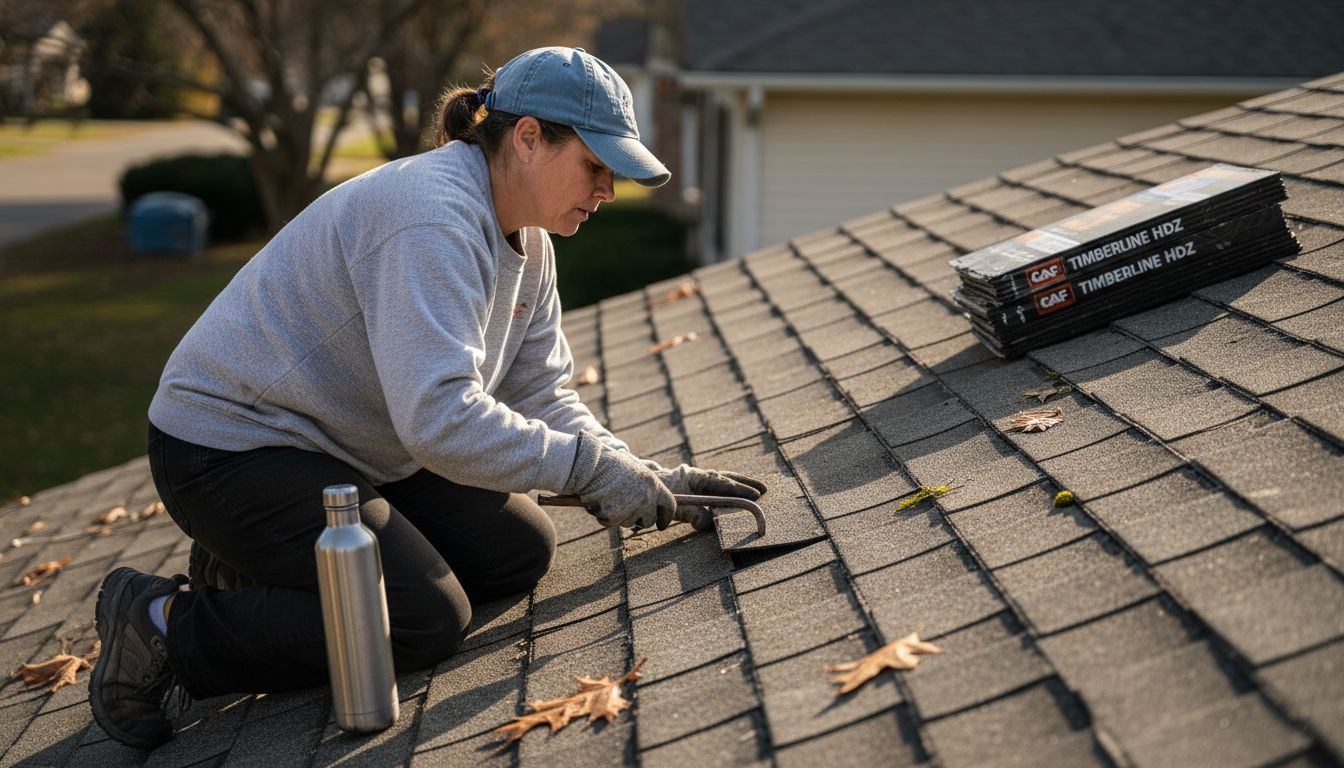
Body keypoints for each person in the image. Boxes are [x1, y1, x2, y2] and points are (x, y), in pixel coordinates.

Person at [88, 46, 766, 749]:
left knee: (517, 550)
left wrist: (640, 472)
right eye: (596, 166)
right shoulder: (431, 219)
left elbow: (540, 390)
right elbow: (440, 420)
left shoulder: (531, 242)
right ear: (528, 138)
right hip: (231, 449)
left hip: (351, 443)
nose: (608, 192)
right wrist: (589, 471)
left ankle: (251, 574)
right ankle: (162, 624)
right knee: (422, 618)